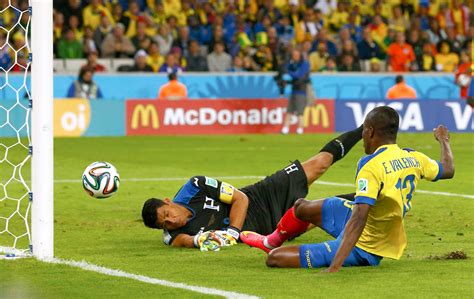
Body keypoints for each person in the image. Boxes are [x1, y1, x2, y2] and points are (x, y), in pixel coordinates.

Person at [241, 106, 454, 272]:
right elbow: (448, 169)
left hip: (366, 245)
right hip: (366, 221)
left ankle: (278, 249)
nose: (362, 137)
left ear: (369, 132)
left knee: (275, 259)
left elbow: (360, 217)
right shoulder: (413, 157)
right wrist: (443, 140)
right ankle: (270, 241)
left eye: (363, 132)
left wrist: (336, 263)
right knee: (301, 207)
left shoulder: (371, 166)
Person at [141, 126, 364, 251]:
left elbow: (240, 199)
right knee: (324, 210)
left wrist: (232, 233)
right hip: (263, 230)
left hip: (260, 196)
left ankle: (365, 129)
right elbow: (186, 241)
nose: (171, 221)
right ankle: (378, 195)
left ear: (168, 201)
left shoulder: (195, 187)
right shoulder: (173, 235)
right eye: (165, 223)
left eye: (167, 214)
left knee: (319, 163)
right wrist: (199, 240)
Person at [281, 49, 310, 135]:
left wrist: (288, 72)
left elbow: (299, 75)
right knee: (289, 110)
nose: (295, 57)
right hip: (294, 90)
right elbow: (284, 68)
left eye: (296, 55)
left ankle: (300, 128)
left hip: (301, 91)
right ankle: (285, 128)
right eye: (293, 55)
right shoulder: (292, 64)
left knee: (300, 111)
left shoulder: (304, 64)